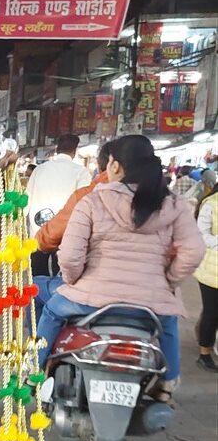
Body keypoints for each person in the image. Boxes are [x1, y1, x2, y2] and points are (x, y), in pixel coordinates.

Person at [36, 135, 205, 392]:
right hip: (150, 302)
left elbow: (70, 256)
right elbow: (193, 251)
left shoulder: (91, 200)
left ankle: (33, 373)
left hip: (90, 300)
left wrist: (73, 281)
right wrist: (168, 280)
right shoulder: (174, 205)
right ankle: (167, 384)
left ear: (113, 166)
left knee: (48, 306)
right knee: (168, 322)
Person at [33, 141, 114, 308]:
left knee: (36, 288)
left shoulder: (89, 196)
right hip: (149, 298)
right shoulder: (163, 202)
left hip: (52, 233)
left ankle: (40, 335)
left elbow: (68, 257)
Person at [26, 134, 90, 275]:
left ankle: (37, 297)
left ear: (57, 149)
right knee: (61, 275)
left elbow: (26, 200)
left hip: (38, 231)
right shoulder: (81, 172)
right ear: (75, 151)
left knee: (37, 274)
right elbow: (83, 203)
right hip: (65, 232)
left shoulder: (39, 170)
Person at [194, 175, 218, 372]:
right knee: (212, 312)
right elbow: (203, 235)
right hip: (212, 270)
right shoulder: (211, 204)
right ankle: (204, 353)